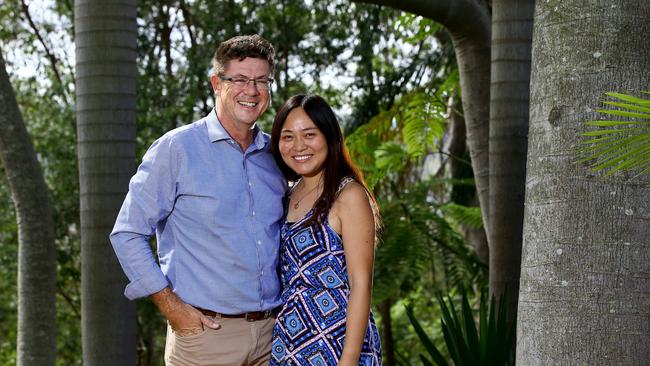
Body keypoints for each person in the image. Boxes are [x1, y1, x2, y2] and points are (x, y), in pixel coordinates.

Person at [109, 34, 286, 366]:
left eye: (262, 81)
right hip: (205, 337)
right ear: (217, 83)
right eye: (240, 80)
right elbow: (127, 233)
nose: (252, 90)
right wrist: (173, 310)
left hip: (272, 337)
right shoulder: (177, 149)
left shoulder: (276, 155)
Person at [269, 94, 382, 365]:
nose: (299, 146)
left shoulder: (348, 194)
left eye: (310, 134)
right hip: (288, 344)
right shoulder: (285, 194)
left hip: (338, 344)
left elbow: (361, 284)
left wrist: (348, 360)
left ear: (330, 138)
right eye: (288, 137)